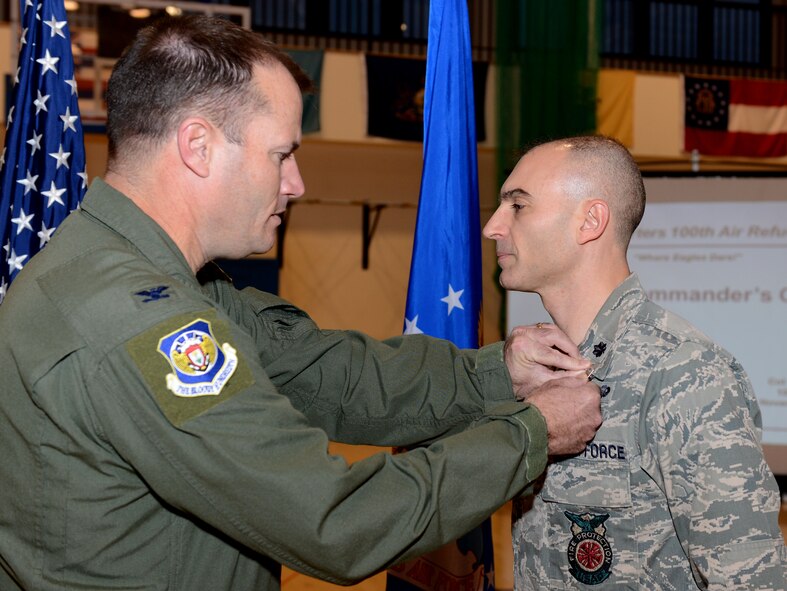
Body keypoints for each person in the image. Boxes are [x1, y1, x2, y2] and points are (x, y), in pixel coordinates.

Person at [0, 15, 603, 591]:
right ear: (198, 146)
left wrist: (497, 373)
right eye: (281, 154)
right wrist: (531, 435)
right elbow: (334, 520)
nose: (296, 183)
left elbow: (326, 374)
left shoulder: (150, 277)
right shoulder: (141, 319)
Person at [483, 135, 787, 589]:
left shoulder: (683, 373)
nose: (493, 226)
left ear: (590, 221)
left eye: (518, 206)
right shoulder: (537, 369)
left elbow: (750, 580)